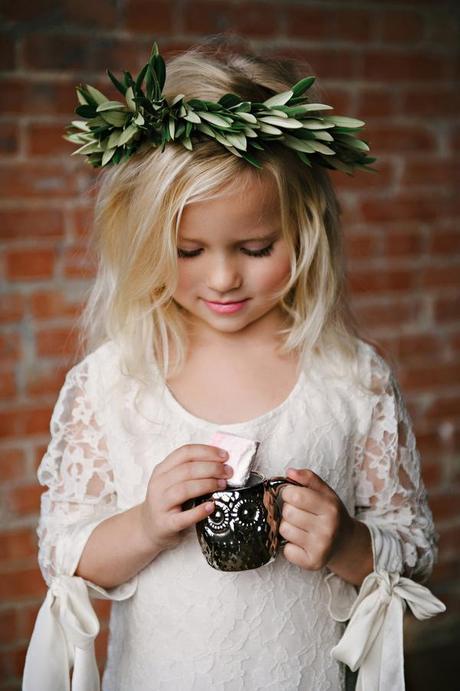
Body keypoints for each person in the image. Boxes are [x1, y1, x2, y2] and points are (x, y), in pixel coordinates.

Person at [23, 38, 445, 691]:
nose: (223, 277)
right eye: (188, 249)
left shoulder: (353, 379)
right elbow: (65, 559)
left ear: (304, 228)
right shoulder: (114, 383)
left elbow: (411, 554)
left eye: (255, 246)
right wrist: (142, 524)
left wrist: (345, 545)